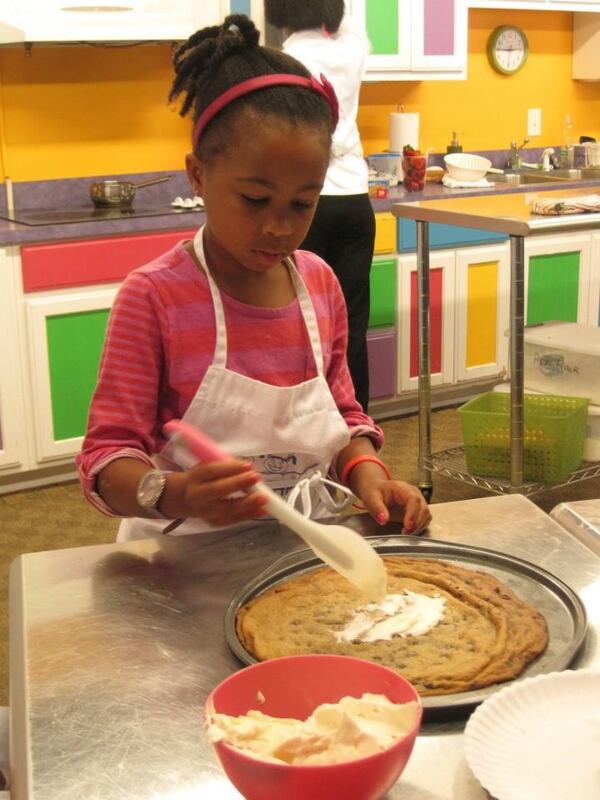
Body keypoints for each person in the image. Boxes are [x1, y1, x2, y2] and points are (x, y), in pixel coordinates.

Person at [76, 14, 431, 542]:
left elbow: (344, 421)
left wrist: (369, 474)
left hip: (303, 548)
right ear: (199, 174)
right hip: (181, 558)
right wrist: (172, 491)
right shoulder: (155, 297)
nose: (278, 227)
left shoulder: (319, 286)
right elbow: (106, 459)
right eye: (254, 199)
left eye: (302, 204)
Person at [264, 0, 374, 412]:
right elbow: (351, 23)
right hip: (354, 200)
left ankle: (304, 421)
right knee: (351, 323)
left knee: (297, 322)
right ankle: (356, 422)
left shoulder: (284, 60)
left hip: (307, 203)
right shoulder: (353, 49)